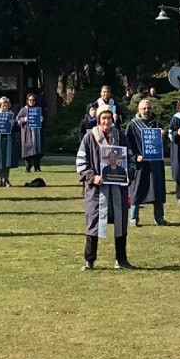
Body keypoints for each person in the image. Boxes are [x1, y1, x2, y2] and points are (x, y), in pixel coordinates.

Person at [78, 105, 135, 270]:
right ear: (98, 119)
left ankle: (121, 260)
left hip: (118, 189)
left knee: (121, 222)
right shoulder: (89, 138)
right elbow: (81, 162)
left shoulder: (121, 137)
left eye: (109, 118)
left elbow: (130, 160)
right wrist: (92, 176)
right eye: (103, 118)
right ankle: (89, 260)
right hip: (96, 190)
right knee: (93, 223)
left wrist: (128, 174)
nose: (106, 121)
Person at [125, 98, 168, 227]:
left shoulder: (157, 124)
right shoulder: (132, 125)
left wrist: (163, 136)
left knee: (157, 190)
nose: (147, 111)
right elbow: (127, 145)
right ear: (139, 109)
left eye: (148, 108)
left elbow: (165, 147)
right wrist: (135, 156)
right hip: (140, 164)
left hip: (155, 163)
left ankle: (159, 218)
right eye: (144, 108)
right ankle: (134, 218)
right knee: (136, 190)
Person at [0, 96, 21, 187]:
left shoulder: (11, 114)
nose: (5, 107)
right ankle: (0, 180)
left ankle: (6, 179)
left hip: (8, 140)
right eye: (3, 105)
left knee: (7, 160)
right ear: (0, 105)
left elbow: (17, 127)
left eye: (6, 105)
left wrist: (14, 123)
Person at [17, 92, 45, 173]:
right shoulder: (23, 110)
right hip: (27, 133)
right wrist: (24, 120)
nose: (31, 102)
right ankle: (28, 167)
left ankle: (37, 167)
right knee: (27, 151)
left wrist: (42, 119)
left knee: (37, 151)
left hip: (37, 133)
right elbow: (18, 120)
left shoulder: (38, 109)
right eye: (30, 100)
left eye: (33, 100)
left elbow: (44, 119)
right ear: (27, 100)